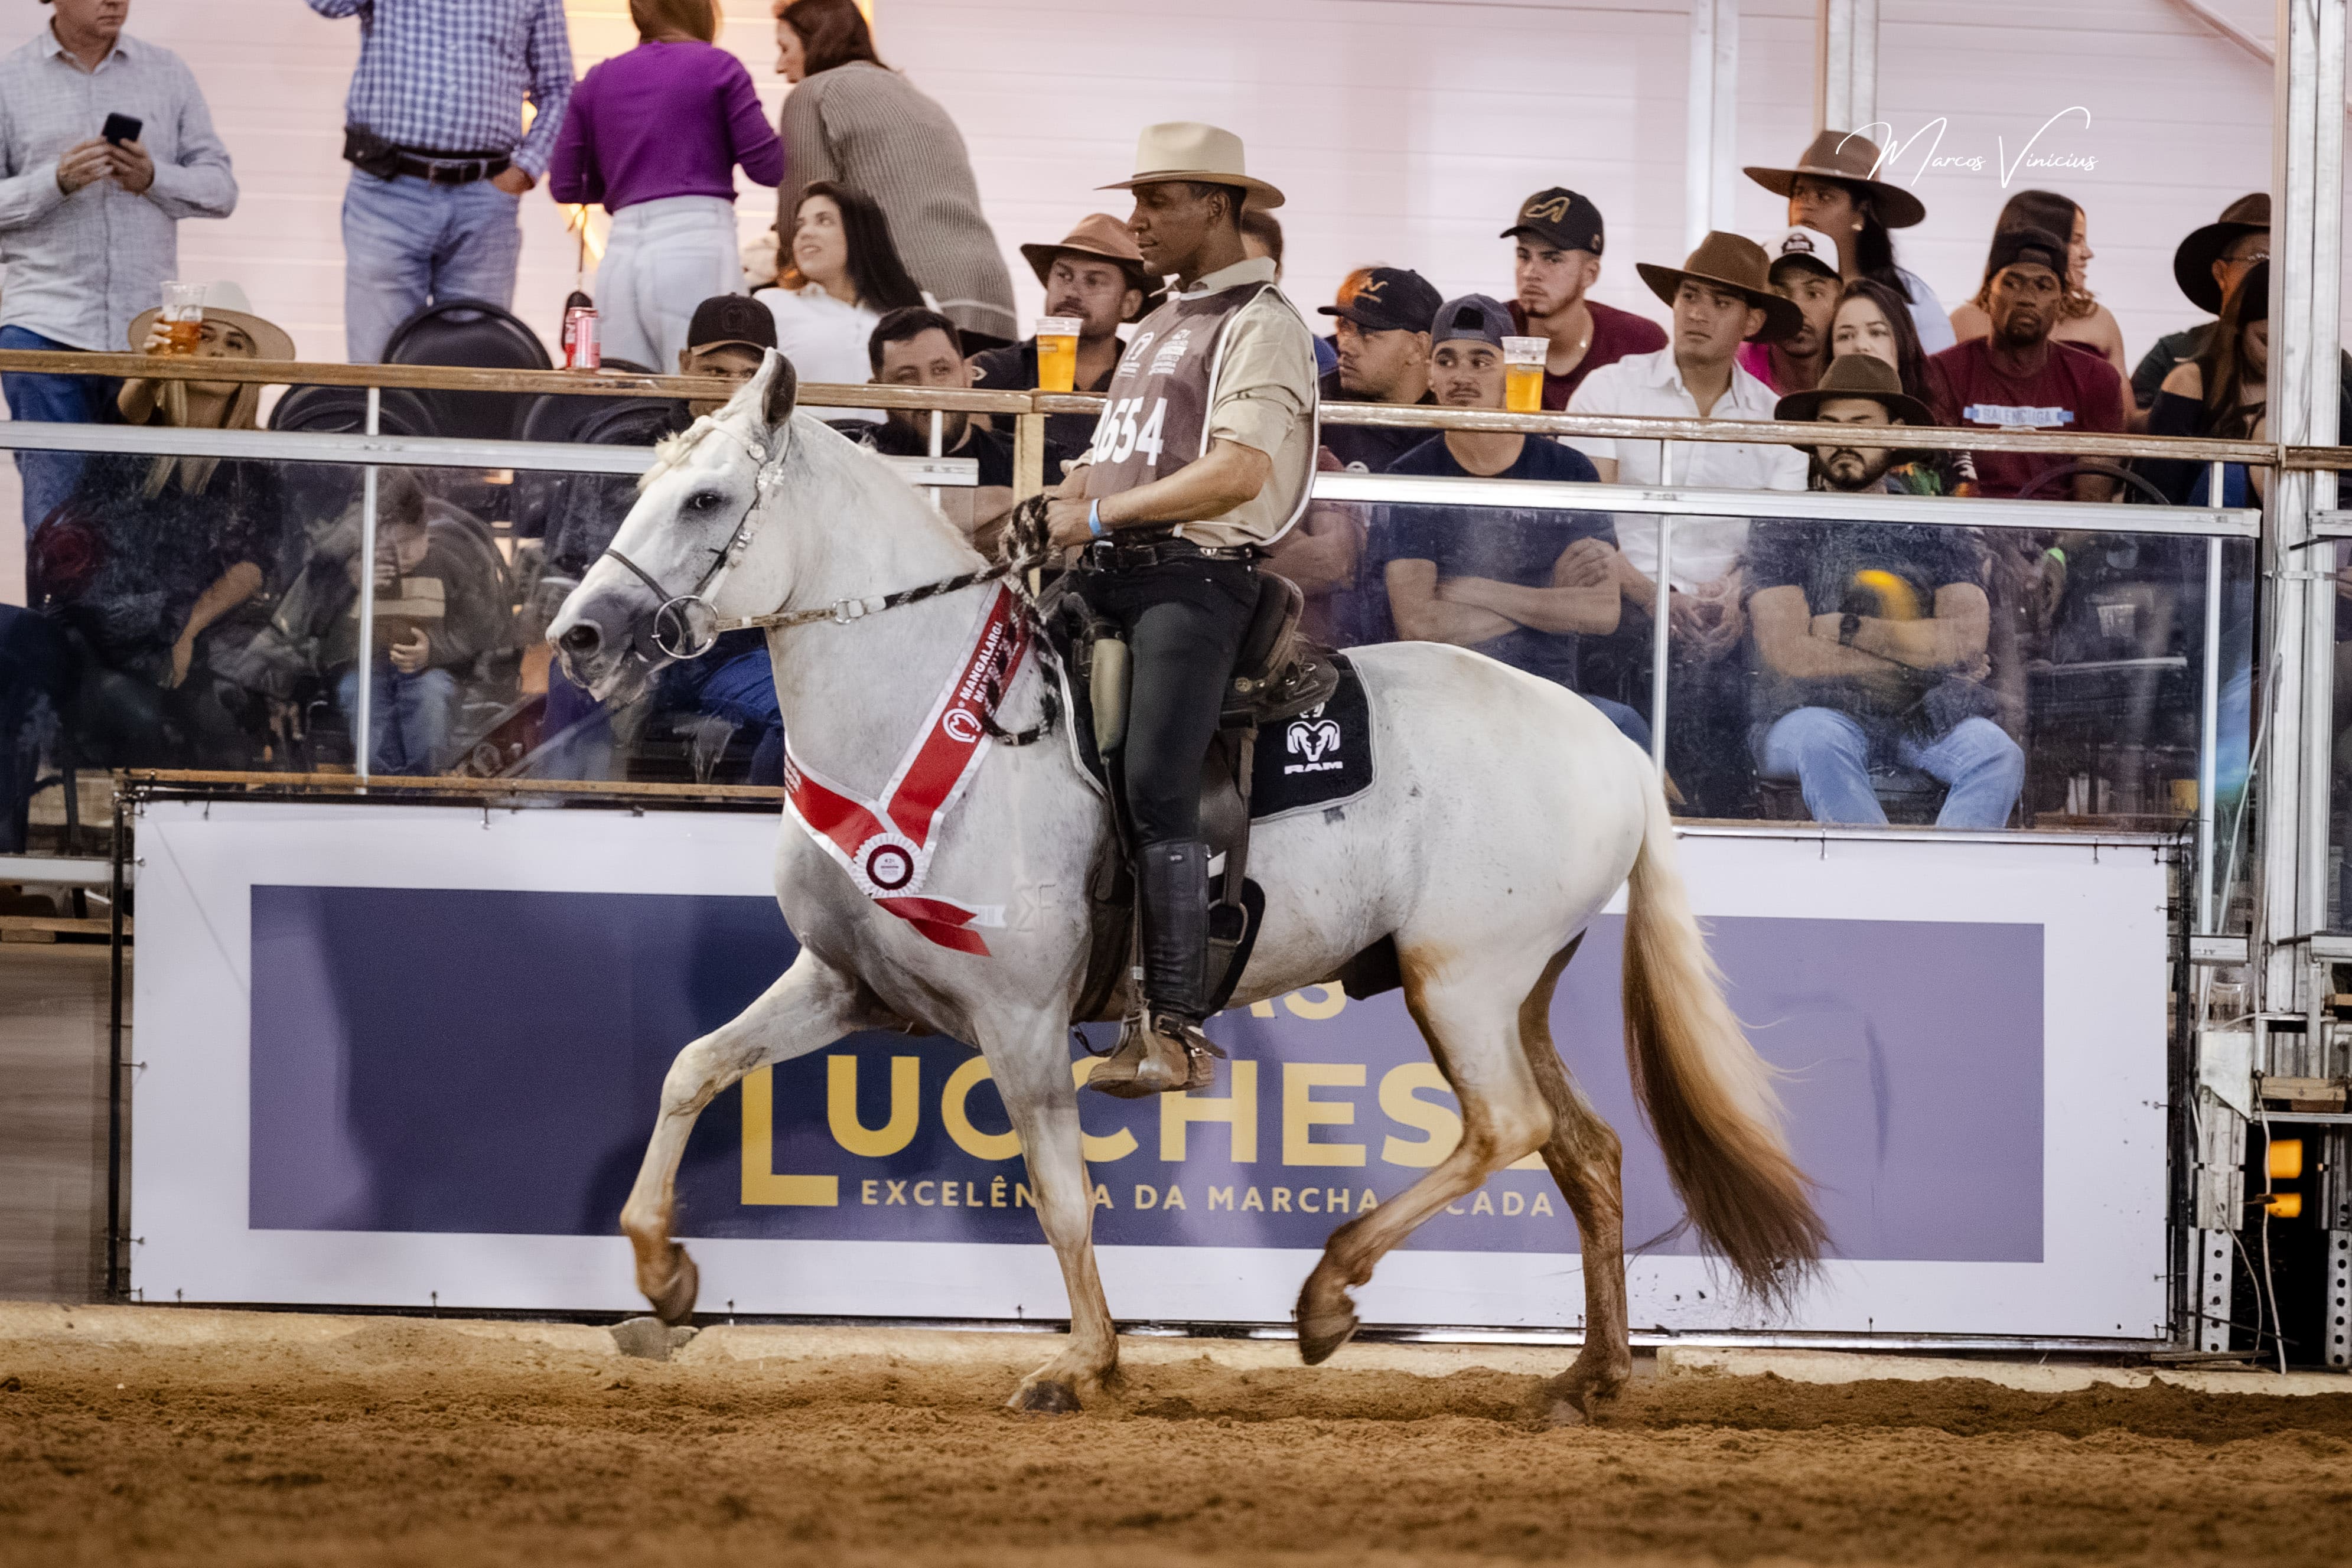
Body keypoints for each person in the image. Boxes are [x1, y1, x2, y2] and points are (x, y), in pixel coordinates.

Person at [1041, 122, 1317, 1096]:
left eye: (1156, 201)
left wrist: (1098, 516)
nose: (1137, 220)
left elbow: (1236, 472)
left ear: (1216, 204)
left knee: (1158, 778)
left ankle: (1171, 1026)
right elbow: (1119, 450)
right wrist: (1055, 503)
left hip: (1193, 577)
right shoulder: (1160, 321)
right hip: (1111, 566)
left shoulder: (1265, 320)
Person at [1566, 232, 1806, 816]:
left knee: (1734, 658)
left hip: (1729, 619)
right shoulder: (1611, 388)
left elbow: (1776, 546)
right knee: (1661, 656)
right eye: (1689, 296)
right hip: (1621, 603)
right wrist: (1655, 598)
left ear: (1751, 322)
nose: (1696, 312)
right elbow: (1585, 522)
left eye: (1719, 303)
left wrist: (1737, 591)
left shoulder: (1776, 419)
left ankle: (1707, 819)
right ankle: (1692, 815)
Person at [1748, 353, 2022, 830]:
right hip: (1807, 712)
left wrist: (1845, 630)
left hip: (1926, 715)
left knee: (1997, 755)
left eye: (1861, 423)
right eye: (1830, 426)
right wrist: (1918, 656)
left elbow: (1966, 638)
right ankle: (1874, 891)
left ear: (1895, 431)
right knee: (1821, 743)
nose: (1844, 440)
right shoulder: (1781, 525)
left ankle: (1946, 889)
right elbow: (1790, 654)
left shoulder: (1936, 523)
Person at [29, 283, 294, 770]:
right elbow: (123, 418)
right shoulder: (137, 429)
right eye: (205, 337)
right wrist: (151, 373)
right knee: (134, 716)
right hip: (101, 628)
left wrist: (188, 629)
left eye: (235, 344)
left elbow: (255, 562)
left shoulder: (257, 459)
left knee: (227, 742)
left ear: (250, 368)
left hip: (193, 629)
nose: (217, 350)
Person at [0, 0, 237, 538]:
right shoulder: (8, 80)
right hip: (44, 330)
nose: (116, 0)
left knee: (147, 521)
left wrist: (155, 178)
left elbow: (221, 190)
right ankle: (54, 625)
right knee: (58, 522)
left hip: (151, 334)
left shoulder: (168, 71)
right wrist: (52, 182)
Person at [1370, 294, 1645, 747]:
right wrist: (1550, 599)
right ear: (1430, 376)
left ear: (1511, 372)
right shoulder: (1408, 476)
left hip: (1551, 698)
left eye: (1481, 360)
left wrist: (1477, 590)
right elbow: (1419, 625)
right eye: (1447, 360)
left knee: (1628, 730)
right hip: (1443, 699)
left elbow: (1601, 612)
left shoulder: (1570, 471)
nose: (1461, 376)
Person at [532, 295, 780, 781]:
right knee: (570, 681)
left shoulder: (785, 464)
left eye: (749, 375)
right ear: (685, 365)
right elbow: (572, 568)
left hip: (738, 654)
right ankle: (566, 828)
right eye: (714, 372)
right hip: (632, 650)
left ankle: (766, 843)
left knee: (800, 708)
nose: (733, 390)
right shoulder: (624, 448)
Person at [309, 0, 574, 364]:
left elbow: (559, 87)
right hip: (387, 192)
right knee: (377, 362)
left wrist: (526, 169)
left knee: (475, 361)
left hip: (485, 199)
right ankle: (381, 424)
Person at [546, 0, 783, 373]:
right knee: (711, 391)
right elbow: (768, 168)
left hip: (621, 256)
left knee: (627, 399)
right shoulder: (717, 65)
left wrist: (624, 176)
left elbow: (565, 186)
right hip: (697, 245)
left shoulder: (596, 80)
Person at [772, 0, 1015, 349]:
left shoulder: (814, 92)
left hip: (912, 290)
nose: (780, 67)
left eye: (784, 48)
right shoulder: (922, 99)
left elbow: (802, 211)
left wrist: (777, 272)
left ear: (816, 40)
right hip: (991, 292)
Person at [322, 472, 509, 777]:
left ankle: (422, 783)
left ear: (426, 530)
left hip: (435, 670)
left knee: (429, 698)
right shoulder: (356, 570)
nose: (401, 555)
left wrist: (433, 651)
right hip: (369, 670)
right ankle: (379, 782)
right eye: (390, 544)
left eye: (409, 542)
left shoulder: (449, 562)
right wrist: (354, 588)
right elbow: (325, 639)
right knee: (356, 693)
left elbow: (483, 630)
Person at [1927, 226, 2129, 501]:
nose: (2026, 298)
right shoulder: (1942, 372)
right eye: (2012, 283)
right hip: (1967, 535)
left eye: (2043, 286)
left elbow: (2090, 508)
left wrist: (2053, 546)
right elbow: (1948, 490)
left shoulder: (2096, 378)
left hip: (2061, 539)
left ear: (2061, 303)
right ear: (1987, 295)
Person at [969, 213, 1152, 482]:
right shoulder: (994, 371)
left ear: (1129, 304)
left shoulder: (1149, 379)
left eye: (1094, 281)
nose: (1071, 292)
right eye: (1063, 275)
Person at [1743, 129, 1953, 355]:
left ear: (1861, 212)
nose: (1806, 205)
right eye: (1799, 193)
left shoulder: (1911, 297)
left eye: (1824, 196)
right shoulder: (1761, 278)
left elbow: (1937, 378)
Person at [755, 181, 926, 413]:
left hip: (893, 448)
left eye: (824, 221)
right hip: (806, 447)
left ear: (859, 232)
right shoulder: (771, 305)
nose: (805, 233)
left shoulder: (916, 309)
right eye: (800, 226)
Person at [860, 306, 1015, 548]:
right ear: (876, 390)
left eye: (941, 370)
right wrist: (1009, 499)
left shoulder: (1026, 457)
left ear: (967, 375)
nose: (928, 389)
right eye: (906, 376)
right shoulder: (855, 452)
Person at [1501, 187, 1667, 406]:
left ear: (1590, 274)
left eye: (1552, 259)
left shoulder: (1638, 342)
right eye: (1523, 256)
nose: (1530, 273)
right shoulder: (1489, 330)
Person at [1947, 190, 2125, 375]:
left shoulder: (2099, 321)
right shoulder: (1965, 322)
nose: (2087, 253)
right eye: (2076, 241)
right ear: (2041, 243)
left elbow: (2122, 404)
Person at [1829, 279, 1973, 494]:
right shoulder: (1809, 434)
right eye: (1845, 336)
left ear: (1903, 343)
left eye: (1877, 332)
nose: (1860, 345)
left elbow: (1967, 523)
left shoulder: (1945, 442)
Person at [2132, 194, 2271, 412]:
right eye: (2262, 258)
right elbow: (2137, 434)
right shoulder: (2173, 354)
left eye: (2285, 261)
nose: (2271, 273)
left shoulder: (2329, 365)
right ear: (2221, 273)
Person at [1314, 265, 1439, 472]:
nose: (1345, 346)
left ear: (1419, 347)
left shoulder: (1456, 413)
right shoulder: (1314, 404)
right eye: (1345, 327)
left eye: (1368, 333)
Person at [1735, 227, 1842, 393]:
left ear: (1839, 301)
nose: (1797, 308)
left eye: (1813, 294)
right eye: (1781, 294)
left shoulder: (1854, 366)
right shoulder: (1736, 366)